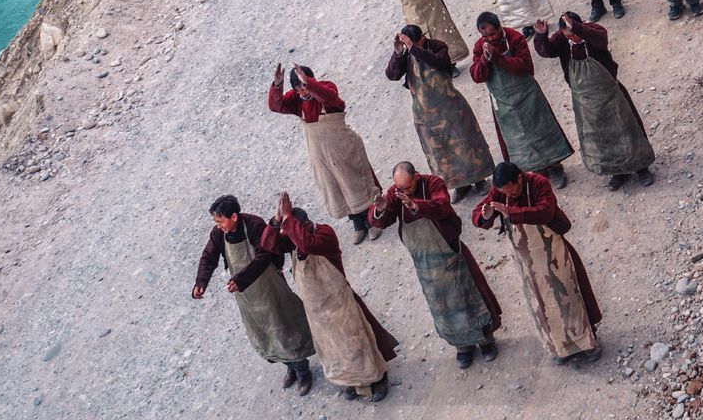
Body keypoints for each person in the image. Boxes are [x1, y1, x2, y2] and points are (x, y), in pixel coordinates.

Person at [262, 196, 396, 402]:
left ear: (304, 224)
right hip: (317, 312)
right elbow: (269, 245)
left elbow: (307, 244)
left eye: (290, 228)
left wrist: (288, 219)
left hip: (340, 304)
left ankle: (377, 380)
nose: (287, 235)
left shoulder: (324, 234)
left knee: (356, 344)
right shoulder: (294, 240)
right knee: (333, 349)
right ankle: (350, 382)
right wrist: (276, 220)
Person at [369, 164, 501, 368]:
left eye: (409, 187)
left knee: (468, 300)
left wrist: (415, 205)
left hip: (450, 256)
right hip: (427, 268)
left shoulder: (433, 183)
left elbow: (442, 206)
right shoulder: (396, 193)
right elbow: (382, 221)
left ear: (416, 177)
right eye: (401, 189)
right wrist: (380, 208)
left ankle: (485, 341)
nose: (405, 192)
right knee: (444, 308)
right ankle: (461, 346)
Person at [472, 164, 602, 364]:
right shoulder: (499, 192)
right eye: (504, 192)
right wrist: (485, 215)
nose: (509, 194)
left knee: (569, 295)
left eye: (512, 189)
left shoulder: (538, 183)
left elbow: (545, 212)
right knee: (542, 305)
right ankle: (560, 349)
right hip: (528, 262)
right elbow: (478, 214)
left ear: (520, 178)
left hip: (553, 253)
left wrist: (511, 211)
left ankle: (587, 343)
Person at [193, 194, 315, 396]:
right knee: (266, 332)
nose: (217, 226)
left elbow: (265, 255)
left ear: (233, 217)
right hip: (248, 298)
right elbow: (209, 256)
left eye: (220, 221)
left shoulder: (254, 225)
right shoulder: (218, 234)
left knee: (284, 327)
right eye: (215, 222)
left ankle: (303, 371)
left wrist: (240, 280)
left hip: (270, 288)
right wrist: (201, 282)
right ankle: (290, 367)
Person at [533, 15, 654, 190]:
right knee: (602, 137)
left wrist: (576, 28)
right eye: (569, 36)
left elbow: (601, 40)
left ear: (580, 25)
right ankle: (617, 172)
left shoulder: (593, 32)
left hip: (611, 95)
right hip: (585, 101)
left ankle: (641, 168)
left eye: (574, 34)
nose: (572, 38)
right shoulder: (561, 38)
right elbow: (547, 51)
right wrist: (541, 35)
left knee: (627, 129)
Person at [268, 64, 381, 245]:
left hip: (343, 148)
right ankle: (358, 225)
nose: (303, 93)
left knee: (357, 183)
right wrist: (277, 84)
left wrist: (310, 85)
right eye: (298, 90)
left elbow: (329, 98)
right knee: (337, 187)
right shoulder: (297, 100)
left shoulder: (326, 88)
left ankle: (375, 220)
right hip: (321, 154)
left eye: (304, 87)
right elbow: (276, 105)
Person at [385, 26, 493, 201]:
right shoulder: (406, 56)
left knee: (466, 143)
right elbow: (392, 75)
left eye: (415, 42)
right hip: (426, 116)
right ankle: (460, 185)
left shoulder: (437, 46)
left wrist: (415, 49)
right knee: (442, 152)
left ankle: (479, 179)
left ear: (422, 38)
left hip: (451, 109)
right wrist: (398, 53)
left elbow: (441, 63)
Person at [470, 13, 573, 186]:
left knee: (541, 129)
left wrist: (498, 57)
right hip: (504, 104)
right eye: (485, 36)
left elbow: (524, 65)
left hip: (527, 96)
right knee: (517, 139)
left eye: (492, 34)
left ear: (500, 27)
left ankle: (555, 166)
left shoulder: (514, 37)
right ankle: (537, 170)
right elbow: (476, 76)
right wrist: (484, 61)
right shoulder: (480, 46)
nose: (489, 38)